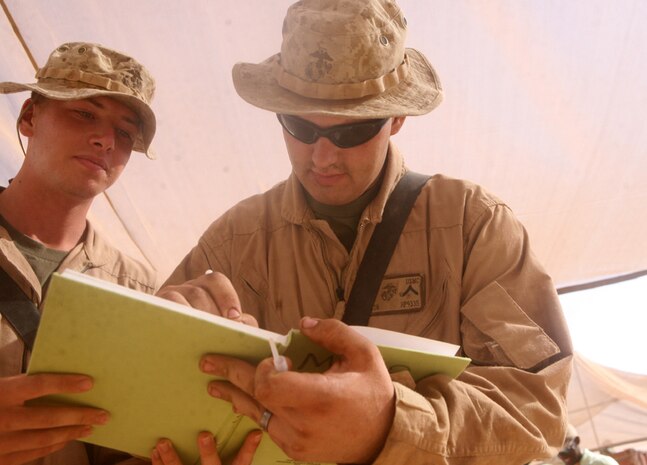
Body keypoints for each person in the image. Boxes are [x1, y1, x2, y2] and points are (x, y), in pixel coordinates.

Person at [162, 0, 574, 464]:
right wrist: (164, 345)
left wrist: (391, 425)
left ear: (396, 119)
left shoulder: (472, 226)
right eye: (298, 126)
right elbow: (147, 400)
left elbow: (537, 413)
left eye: (351, 133)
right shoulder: (232, 243)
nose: (322, 158)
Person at [0, 42, 258, 465]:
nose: (105, 140)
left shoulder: (138, 290)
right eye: (84, 113)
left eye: (125, 132)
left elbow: (128, 444)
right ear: (30, 116)